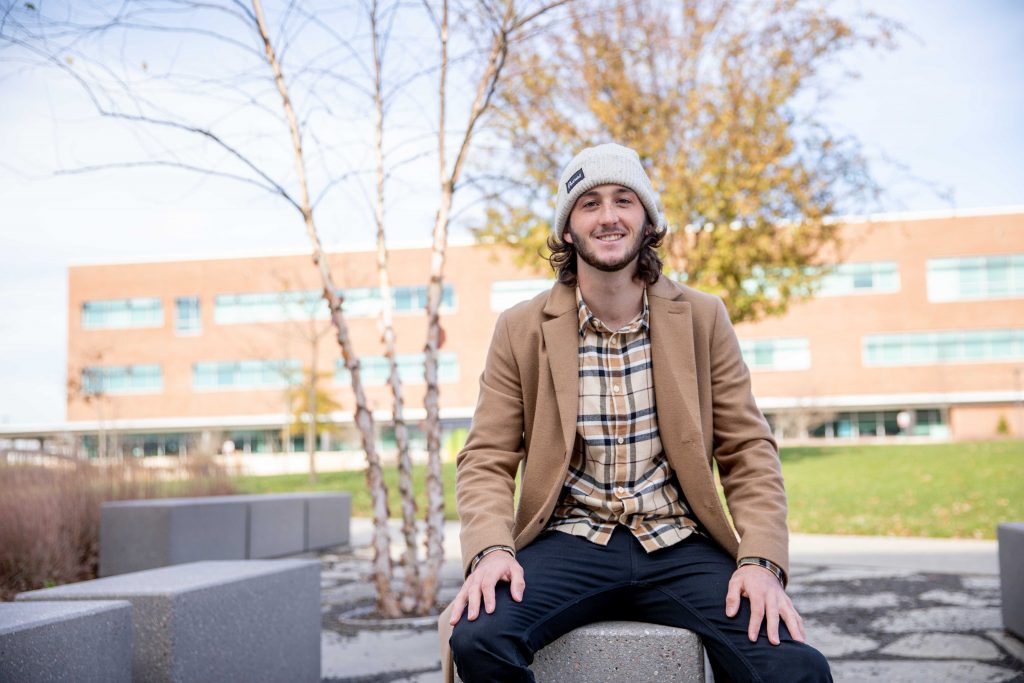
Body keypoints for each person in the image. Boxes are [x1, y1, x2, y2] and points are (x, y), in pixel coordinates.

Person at [437, 143, 831, 682]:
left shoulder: (702, 317)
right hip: (571, 540)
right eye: (589, 203)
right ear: (568, 228)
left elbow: (748, 450)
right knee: (478, 636)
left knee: (792, 668)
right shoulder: (521, 328)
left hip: (680, 542)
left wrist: (760, 561)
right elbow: (486, 456)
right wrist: (490, 550)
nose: (608, 216)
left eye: (623, 199)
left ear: (647, 221)